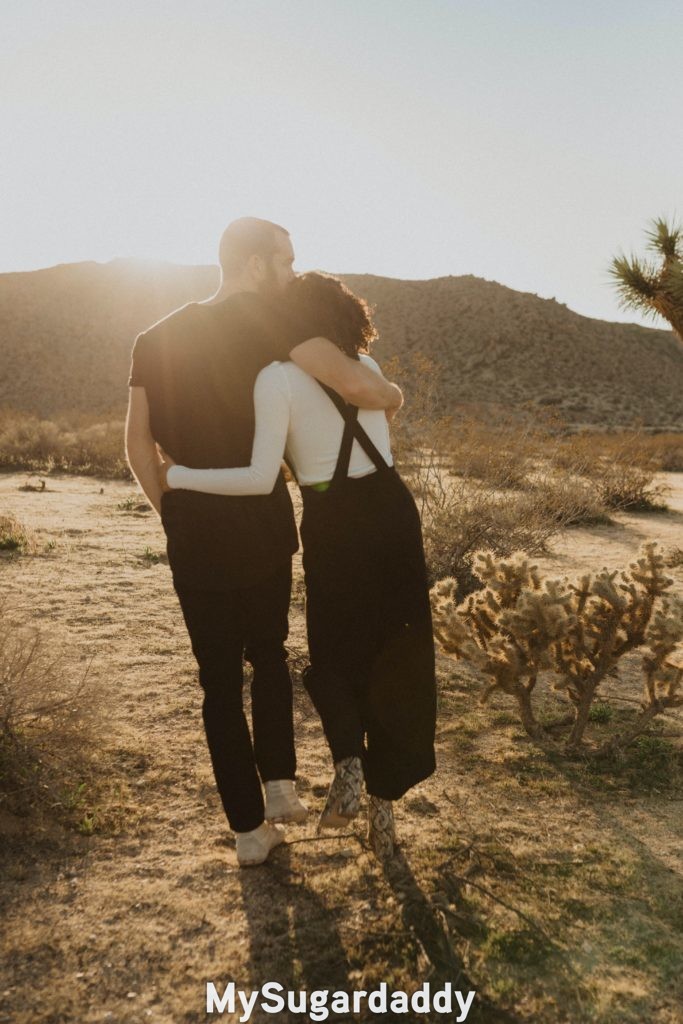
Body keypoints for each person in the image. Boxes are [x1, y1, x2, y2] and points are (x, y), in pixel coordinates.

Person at [125, 220, 403, 867]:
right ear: (253, 265)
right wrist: (384, 394)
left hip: (193, 524)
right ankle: (279, 788)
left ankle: (249, 831)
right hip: (261, 523)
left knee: (216, 683)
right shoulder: (275, 330)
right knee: (270, 653)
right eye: (283, 261)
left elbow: (137, 443)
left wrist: (171, 509)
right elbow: (345, 383)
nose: (289, 273)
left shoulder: (153, 338)